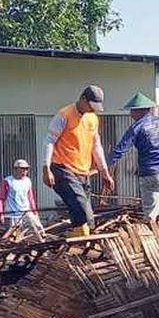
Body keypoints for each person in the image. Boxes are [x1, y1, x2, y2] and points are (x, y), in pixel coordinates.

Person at [108, 91, 159, 220]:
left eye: (132, 111)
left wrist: (103, 166)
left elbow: (120, 150)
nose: (130, 114)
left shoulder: (136, 127)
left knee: (152, 211)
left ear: (138, 111)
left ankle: (152, 224)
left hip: (149, 173)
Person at [44, 85, 115, 237]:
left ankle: (80, 239)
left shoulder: (92, 118)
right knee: (82, 207)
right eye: (90, 105)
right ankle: (83, 235)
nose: (92, 109)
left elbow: (96, 146)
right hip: (62, 168)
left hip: (83, 171)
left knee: (82, 212)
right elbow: (49, 141)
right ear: (83, 99)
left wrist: (105, 172)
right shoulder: (64, 115)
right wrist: (46, 168)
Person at [0, 160, 46, 241]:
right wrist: (1, 214)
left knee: (38, 229)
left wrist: (35, 212)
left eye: (26, 169)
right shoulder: (8, 181)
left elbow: (31, 198)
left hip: (26, 212)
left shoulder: (27, 181)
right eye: (22, 169)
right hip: (12, 214)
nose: (25, 171)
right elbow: (1, 199)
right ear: (16, 169)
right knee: (13, 237)